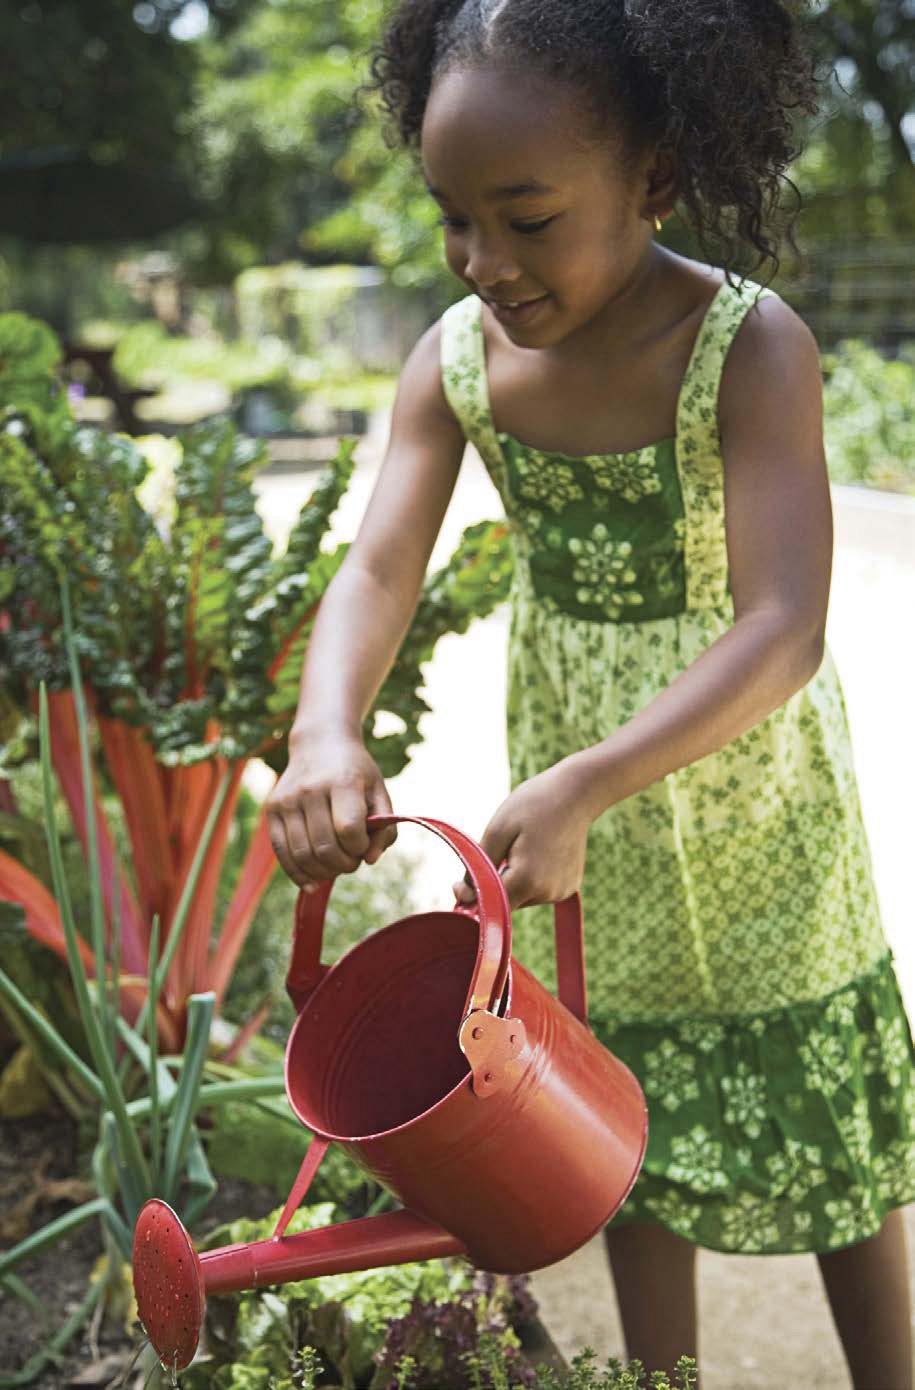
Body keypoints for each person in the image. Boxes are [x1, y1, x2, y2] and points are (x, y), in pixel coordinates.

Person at [265, 1, 915, 1383]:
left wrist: (590, 780)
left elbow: (787, 625)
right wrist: (325, 724)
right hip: (574, 819)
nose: (481, 261)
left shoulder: (750, 347)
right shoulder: (453, 367)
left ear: (656, 184)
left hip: (751, 804)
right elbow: (379, 564)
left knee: (841, 1151)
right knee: (605, 1116)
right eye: (453, 217)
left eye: (527, 216)